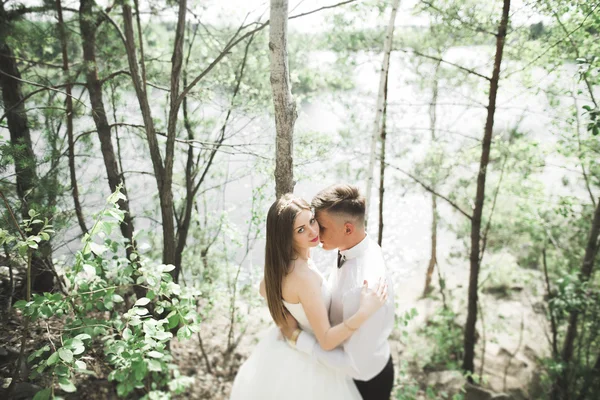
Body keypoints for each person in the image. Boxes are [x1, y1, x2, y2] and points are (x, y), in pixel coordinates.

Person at [230, 193, 388, 400]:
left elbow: (264, 290)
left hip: (289, 351)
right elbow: (326, 341)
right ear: (287, 237)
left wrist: (287, 315)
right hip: (311, 366)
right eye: (301, 230)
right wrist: (364, 312)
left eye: (312, 220)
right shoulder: (304, 278)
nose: (313, 231)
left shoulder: (281, 266)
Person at [280, 184, 396, 400]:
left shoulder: (362, 291)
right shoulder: (358, 246)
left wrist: (297, 338)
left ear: (348, 229)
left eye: (321, 226)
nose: (315, 232)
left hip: (366, 383)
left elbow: (354, 366)